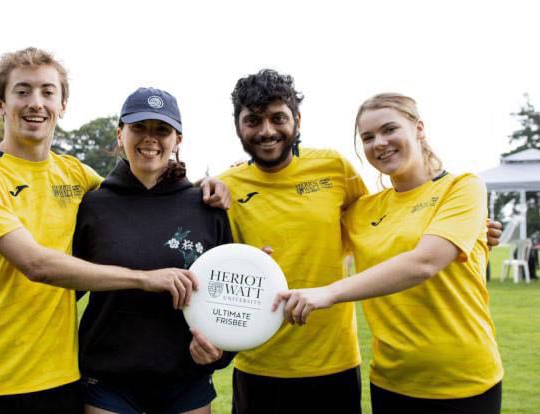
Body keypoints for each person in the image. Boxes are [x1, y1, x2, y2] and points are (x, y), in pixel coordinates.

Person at [0, 47, 228, 414]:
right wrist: (146, 278)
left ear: (62, 105)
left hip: (59, 379)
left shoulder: (76, 176)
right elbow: (35, 264)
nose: (35, 103)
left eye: (47, 92)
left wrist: (206, 184)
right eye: (22, 91)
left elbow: (141, 194)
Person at [274, 93, 503, 413]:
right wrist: (244, 175)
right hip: (390, 382)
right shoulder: (363, 209)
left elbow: (425, 262)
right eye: (368, 137)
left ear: (419, 128)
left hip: (463, 379)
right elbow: (304, 228)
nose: (379, 143)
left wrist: (330, 293)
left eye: (389, 129)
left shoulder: (462, 187)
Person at [75, 86, 234, 414]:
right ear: (120, 135)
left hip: (185, 378)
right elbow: (62, 282)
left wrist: (220, 353)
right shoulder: (92, 205)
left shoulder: (207, 205)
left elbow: (228, 294)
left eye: (161, 130)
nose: (150, 138)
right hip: (108, 379)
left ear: (178, 140)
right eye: (138, 128)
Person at [219, 69, 367, 414]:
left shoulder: (334, 168)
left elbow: (383, 222)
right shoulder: (223, 187)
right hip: (257, 365)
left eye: (278, 118)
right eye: (253, 120)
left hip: (334, 363)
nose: (267, 131)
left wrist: (475, 227)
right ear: (238, 126)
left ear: (297, 119)